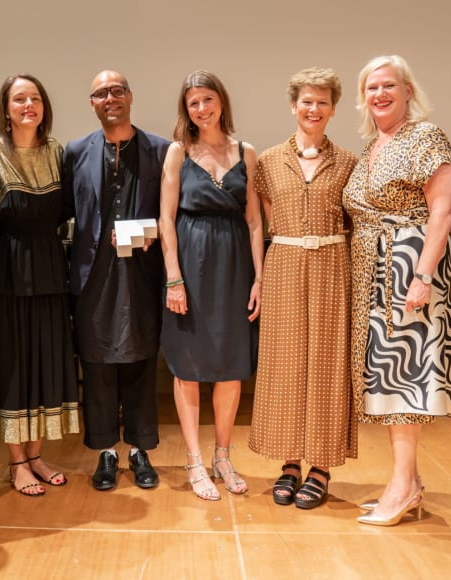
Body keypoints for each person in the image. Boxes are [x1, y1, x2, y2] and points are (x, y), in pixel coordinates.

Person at [343, 55, 451, 526]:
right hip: (374, 269)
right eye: (371, 88)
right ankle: (406, 482)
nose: (379, 94)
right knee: (388, 380)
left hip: (409, 265)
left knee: (405, 378)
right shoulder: (374, 144)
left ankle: (403, 486)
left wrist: (423, 275)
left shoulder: (425, 136)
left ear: (408, 90)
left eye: (388, 85)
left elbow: (443, 211)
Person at [248, 67, 358, 509]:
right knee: (286, 364)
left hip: (333, 266)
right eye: (306, 101)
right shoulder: (269, 161)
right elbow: (266, 221)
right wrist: (259, 277)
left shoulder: (350, 163)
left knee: (328, 365)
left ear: (333, 109)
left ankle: (321, 466)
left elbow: (354, 225)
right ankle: (290, 462)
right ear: (294, 106)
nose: (314, 109)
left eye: (323, 102)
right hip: (285, 266)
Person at [0, 74, 79, 497]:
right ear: (6, 108)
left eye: (35, 97)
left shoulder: (57, 152)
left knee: (45, 363)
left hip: (50, 271)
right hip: (6, 275)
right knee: (14, 367)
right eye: (19, 98)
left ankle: (36, 456)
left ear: (44, 106)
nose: (28, 104)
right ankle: (17, 462)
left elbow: (67, 215)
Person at [158, 70, 264, 501]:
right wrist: (173, 279)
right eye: (193, 103)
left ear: (221, 100)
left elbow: (254, 219)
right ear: (186, 110)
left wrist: (259, 277)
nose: (201, 109)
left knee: (230, 367)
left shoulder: (247, 152)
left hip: (235, 266)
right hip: (191, 265)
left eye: (207, 99)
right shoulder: (177, 152)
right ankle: (194, 460)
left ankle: (222, 455)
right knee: (188, 368)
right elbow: (166, 218)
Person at [61, 70, 169, 491]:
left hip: (142, 273)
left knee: (141, 360)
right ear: (92, 103)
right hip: (93, 277)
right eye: (101, 93)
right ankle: (106, 452)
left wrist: (139, 234)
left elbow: (171, 215)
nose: (110, 98)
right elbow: (66, 210)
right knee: (98, 363)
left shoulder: (160, 150)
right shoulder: (75, 152)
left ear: (130, 96)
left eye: (117, 90)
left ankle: (140, 451)